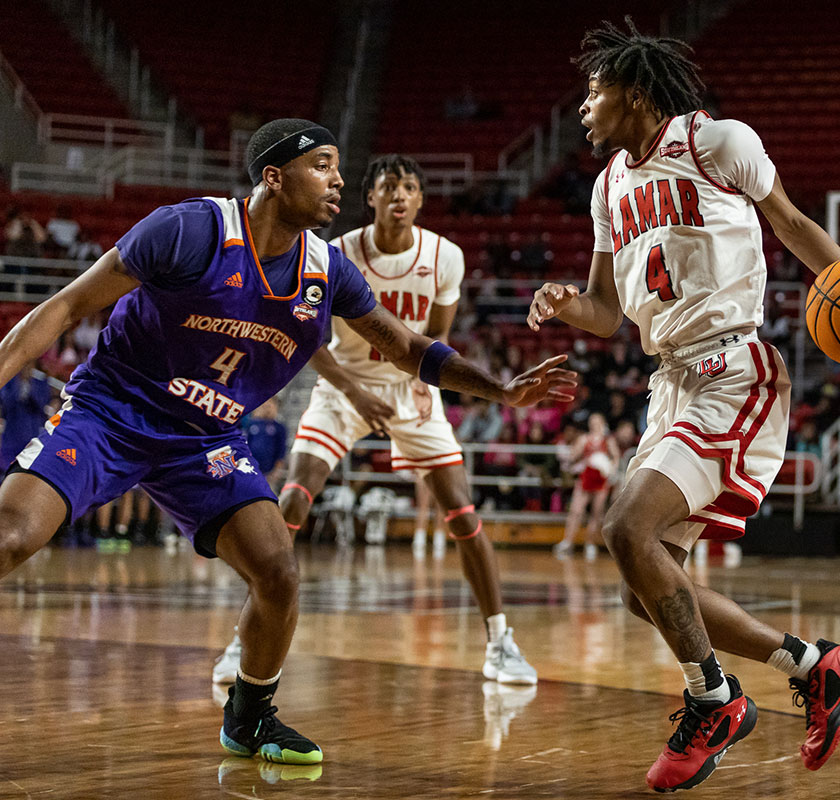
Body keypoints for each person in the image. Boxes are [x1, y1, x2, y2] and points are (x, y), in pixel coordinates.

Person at [0, 118, 574, 767]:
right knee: (13, 536)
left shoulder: (326, 271)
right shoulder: (191, 229)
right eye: (322, 165)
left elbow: (409, 346)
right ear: (273, 177)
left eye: (337, 166)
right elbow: (68, 306)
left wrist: (500, 389)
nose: (338, 179)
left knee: (277, 569)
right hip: (112, 410)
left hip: (205, 437)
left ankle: (249, 717)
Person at [527, 19, 840, 791]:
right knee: (648, 592)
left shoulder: (717, 141)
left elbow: (791, 222)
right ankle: (817, 668)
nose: (582, 107)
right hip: (669, 382)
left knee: (623, 527)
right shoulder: (609, 185)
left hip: (733, 372)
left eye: (594, 91)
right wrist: (564, 303)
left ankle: (713, 699)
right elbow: (606, 311)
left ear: (635, 92)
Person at [215, 154, 550, 689]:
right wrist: (352, 391)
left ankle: (500, 641)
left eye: (410, 186)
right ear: (369, 197)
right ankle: (241, 638)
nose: (400, 194)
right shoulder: (335, 252)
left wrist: (422, 386)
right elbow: (309, 342)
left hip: (408, 385)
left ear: (420, 199)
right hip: (344, 383)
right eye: (390, 185)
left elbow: (433, 342)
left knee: (462, 512)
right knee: (294, 499)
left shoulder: (446, 256)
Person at [553, 412, 620, 560]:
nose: (594, 424)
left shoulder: (608, 440)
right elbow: (573, 456)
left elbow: (615, 457)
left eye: (597, 421)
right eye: (592, 421)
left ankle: (590, 543)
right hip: (586, 478)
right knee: (576, 511)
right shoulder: (584, 439)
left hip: (601, 480)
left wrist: (609, 468)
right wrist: (580, 460)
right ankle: (567, 541)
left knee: (596, 513)